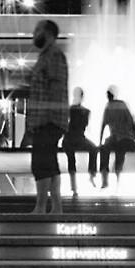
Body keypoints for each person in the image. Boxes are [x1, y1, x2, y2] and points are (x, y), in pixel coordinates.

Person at [22, 18, 68, 214]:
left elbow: (56, 88)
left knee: (40, 163)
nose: (34, 35)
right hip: (47, 119)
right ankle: (56, 207)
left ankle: (41, 206)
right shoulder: (47, 56)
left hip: (48, 119)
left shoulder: (53, 55)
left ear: (48, 34)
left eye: (37, 31)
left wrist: (49, 116)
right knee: (49, 162)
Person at [99, 86, 135, 188]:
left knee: (107, 149)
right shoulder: (122, 105)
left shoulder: (109, 106)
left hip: (119, 138)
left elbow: (103, 125)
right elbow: (131, 122)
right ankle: (117, 177)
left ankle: (106, 178)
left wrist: (100, 141)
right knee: (119, 151)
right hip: (126, 138)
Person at [64, 87, 96, 193]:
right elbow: (84, 126)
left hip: (70, 138)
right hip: (78, 138)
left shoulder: (71, 110)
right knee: (93, 149)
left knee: (71, 159)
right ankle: (91, 174)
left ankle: (74, 186)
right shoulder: (85, 111)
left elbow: (66, 124)